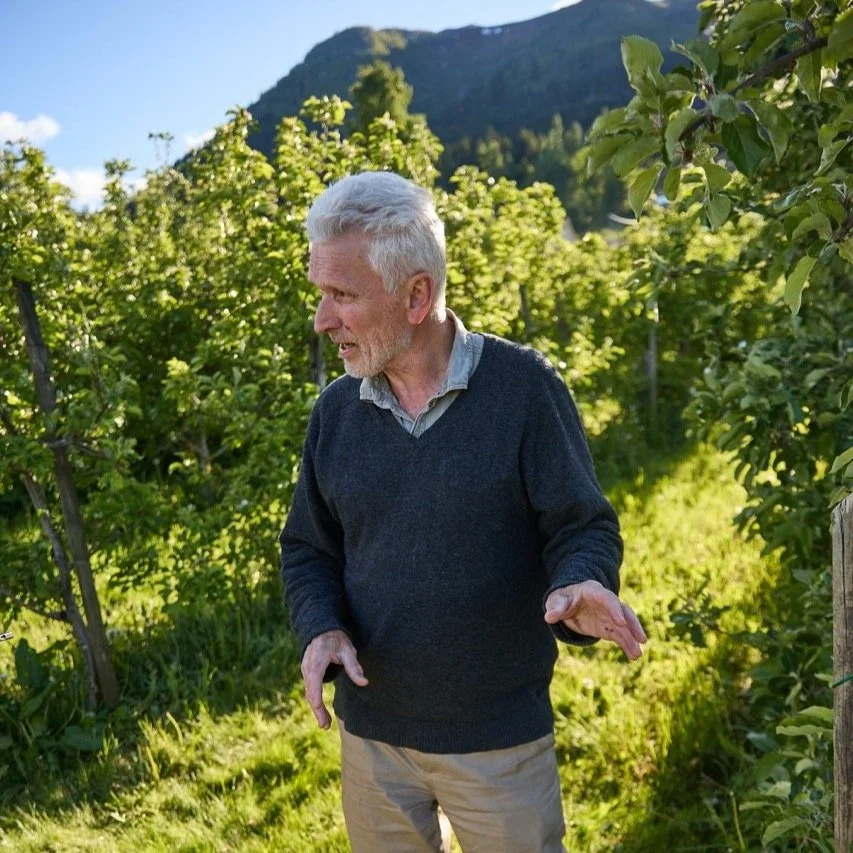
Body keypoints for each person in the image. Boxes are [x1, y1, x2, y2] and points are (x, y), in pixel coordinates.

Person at [279, 171, 647, 853]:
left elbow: (580, 525)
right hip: (372, 742)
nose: (321, 319)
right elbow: (309, 548)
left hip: (498, 743)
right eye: (319, 294)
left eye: (341, 296)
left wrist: (584, 578)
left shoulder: (524, 390)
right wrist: (320, 625)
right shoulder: (335, 413)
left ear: (416, 294)